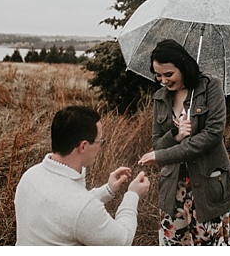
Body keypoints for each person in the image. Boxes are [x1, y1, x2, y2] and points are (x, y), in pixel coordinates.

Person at [137, 39, 230, 246]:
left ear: (184, 67)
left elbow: (213, 135)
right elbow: (157, 143)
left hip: (209, 188)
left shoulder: (210, 87)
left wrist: (162, 157)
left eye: (169, 74)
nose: (163, 81)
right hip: (174, 192)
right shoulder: (160, 98)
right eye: (158, 75)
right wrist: (175, 135)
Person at [14, 105, 151, 245]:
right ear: (83, 146)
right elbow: (123, 240)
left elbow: (66, 208)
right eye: (100, 141)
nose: (100, 147)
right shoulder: (84, 208)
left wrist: (108, 190)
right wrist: (133, 195)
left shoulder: (30, 176)